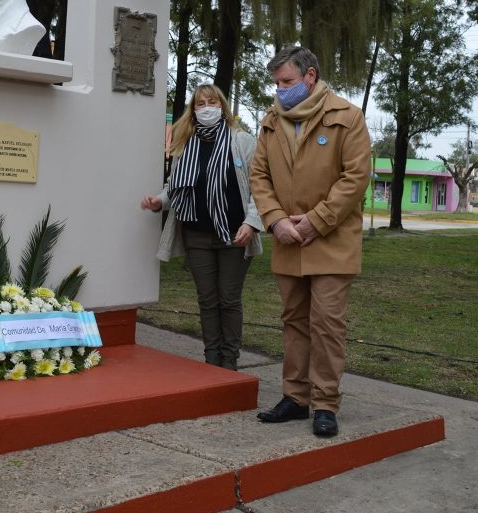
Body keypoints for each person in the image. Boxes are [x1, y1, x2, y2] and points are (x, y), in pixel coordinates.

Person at [249, 46, 370, 438]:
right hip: (287, 239)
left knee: (327, 324)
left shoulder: (347, 117)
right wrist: (275, 220)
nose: (280, 90)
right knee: (294, 323)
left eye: (287, 81)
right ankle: (296, 398)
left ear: (310, 76)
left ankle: (325, 404)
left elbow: (355, 178)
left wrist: (316, 221)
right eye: (277, 83)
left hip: (332, 241)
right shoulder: (271, 121)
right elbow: (259, 176)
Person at [140, 84, 263, 370]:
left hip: (235, 235)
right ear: (193, 110)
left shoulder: (242, 142)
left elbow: (259, 188)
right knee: (207, 301)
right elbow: (176, 187)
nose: (207, 107)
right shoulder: (185, 143)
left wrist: (252, 223)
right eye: (200, 103)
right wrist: (158, 201)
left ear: (222, 106)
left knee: (228, 299)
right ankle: (211, 361)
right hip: (196, 235)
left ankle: (229, 363)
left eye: (212, 101)